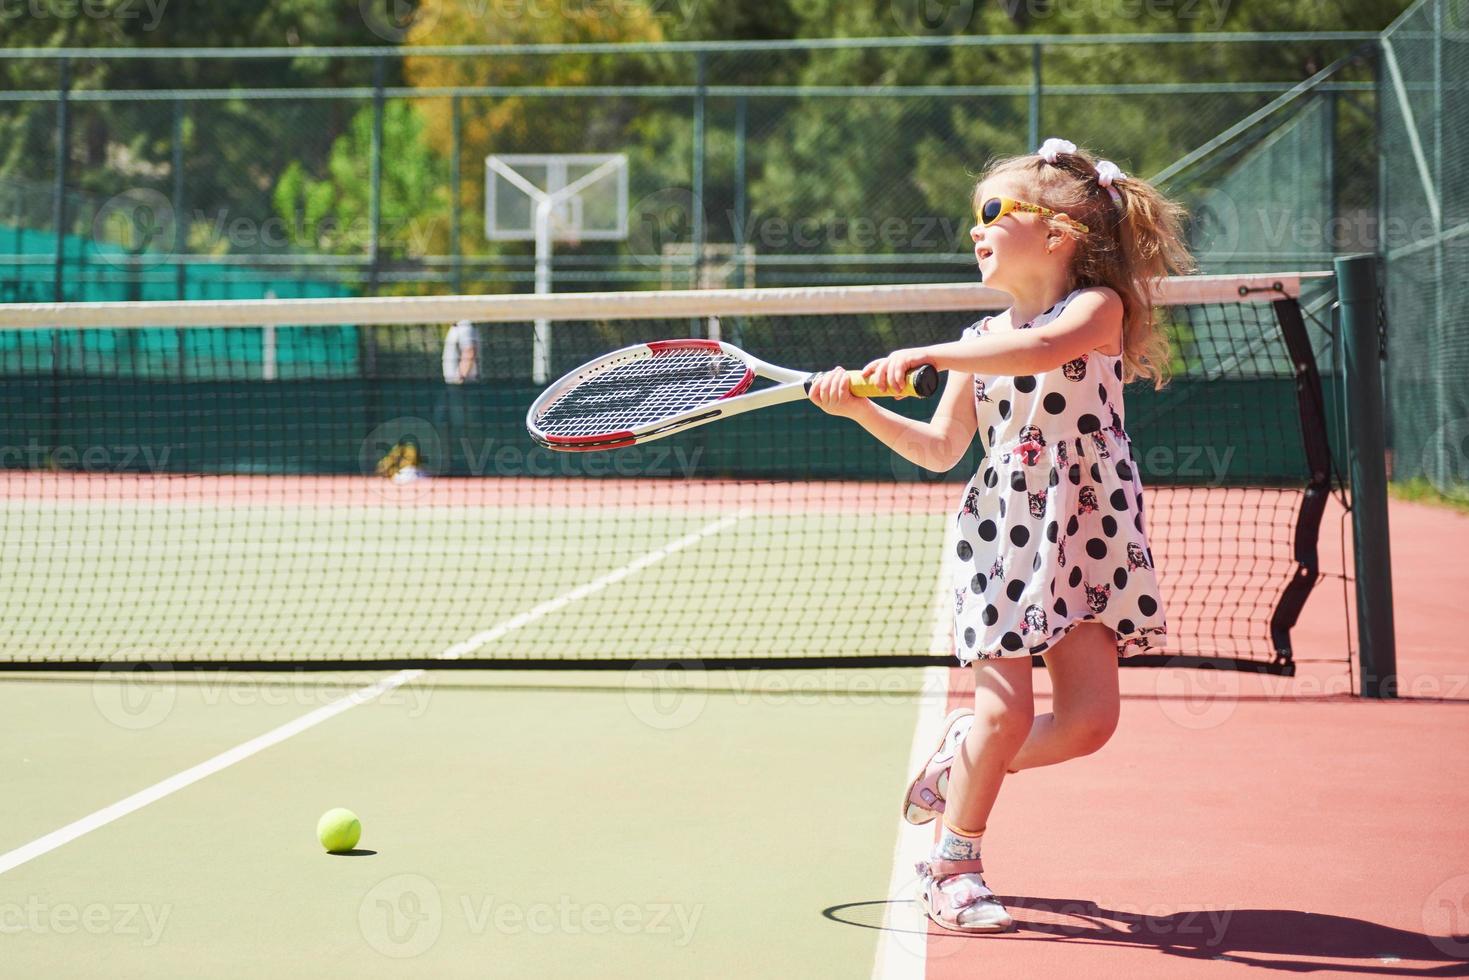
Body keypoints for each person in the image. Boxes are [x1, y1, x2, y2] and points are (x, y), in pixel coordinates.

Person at [809, 138, 1191, 933]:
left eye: (991, 213)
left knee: (1088, 723)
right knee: (1007, 711)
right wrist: (860, 408)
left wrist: (923, 350)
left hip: (1089, 533)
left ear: (1056, 233)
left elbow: (1044, 349)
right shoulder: (976, 343)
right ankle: (953, 864)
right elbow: (940, 450)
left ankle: (958, 759)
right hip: (1004, 536)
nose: (975, 232)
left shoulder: (1096, 309)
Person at [435, 319, 481, 475]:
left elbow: (469, 351)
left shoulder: (465, 326)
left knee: (463, 427)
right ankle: (449, 466)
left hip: (463, 387)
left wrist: (459, 380)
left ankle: (471, 467)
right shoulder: (454, 328)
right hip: (452, 387)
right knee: (443, 423)